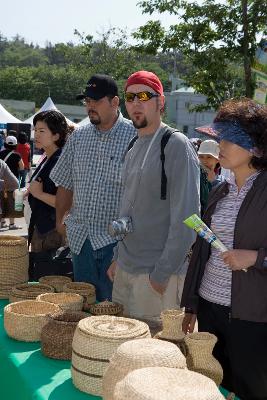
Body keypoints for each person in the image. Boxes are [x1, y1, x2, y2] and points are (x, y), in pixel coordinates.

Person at [181, 98, 267, 400]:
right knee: (214, 388)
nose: (220, 144)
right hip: (210, 308)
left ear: (255, 146)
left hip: (253, 317)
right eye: (220, 137)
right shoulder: (221, 189)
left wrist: (257, 257)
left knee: (251, 391)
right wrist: (191, 304)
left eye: (229, 139)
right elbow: (202, 252)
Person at [107, 70, 200, 322]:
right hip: (125, 270)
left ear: (161, 102)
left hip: (157, 277)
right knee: (122, 352)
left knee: (154, 356)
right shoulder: (133, 145)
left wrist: (161, 275)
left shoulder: (176, 145)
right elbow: (126, 209)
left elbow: (189, 220)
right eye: (130, 96)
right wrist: (118, 258)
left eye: (145, 96)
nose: (136, 103)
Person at [50, 74, 136, 301]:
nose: (90, 107)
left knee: (112, 314)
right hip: (81, 241)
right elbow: (65, 183)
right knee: (83, 310)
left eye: (96, 101)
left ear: (115, 102)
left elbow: (143, 196)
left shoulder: (135, 137)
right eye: (87, 101)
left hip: (116, 243)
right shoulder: (78, 136)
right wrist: (60, 223)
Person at [27, 110, 69, 279]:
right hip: (42, 228)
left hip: (52, 232)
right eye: (35, 130)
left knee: (47, 278)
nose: (36, 134)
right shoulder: (47, 156)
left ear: (56, 135)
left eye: (42, 131)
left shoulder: (60, 160)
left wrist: (38, 194)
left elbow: (67, 202)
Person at [0, 135, 24, 229]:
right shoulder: (17, 155)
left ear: (5, 144)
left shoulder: (0, 153)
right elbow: (22, 167)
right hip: (12, 182)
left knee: (2, 202)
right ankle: (12, 224)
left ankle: (2, 222)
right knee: (12, 202)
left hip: (1, 182)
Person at [0, 159, 19, 227]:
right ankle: (2, 222)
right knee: (2, 204)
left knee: (10, 204)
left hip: (12, 185)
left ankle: (12, 224)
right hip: (4, 185)